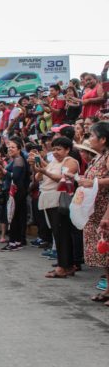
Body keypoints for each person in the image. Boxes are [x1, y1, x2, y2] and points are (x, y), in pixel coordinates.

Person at [32, 138, 79, 278]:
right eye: (54, 149)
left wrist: (44, 172)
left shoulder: (70, 161)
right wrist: (40, 168)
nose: (56, 152)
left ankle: (64, 266)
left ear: (67, 150)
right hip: (49, 200)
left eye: (59, 149)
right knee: (58, 234)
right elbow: (38, 177)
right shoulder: (53, 162)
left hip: (59, 200)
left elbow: (63, 179)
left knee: (62, 234)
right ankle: (66, 265)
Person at [78, 122, 109, 305]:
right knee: (104, 253)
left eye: (92, 136)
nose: (89, 139)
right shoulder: (102, 155)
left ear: (103, 139)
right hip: (96, 212)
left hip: (105, 211)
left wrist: (94, 182)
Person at [0, 137, 30, 251]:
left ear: (19, 149)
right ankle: (17, 241)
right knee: (16, 217)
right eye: (8, 147)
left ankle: (13, 242)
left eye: (12, 147)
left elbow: (15, 177)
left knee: (13, 217)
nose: (10, 149)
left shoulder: (18, 160)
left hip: (17, 192)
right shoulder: (15, 159)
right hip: (17, 191)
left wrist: (4, 171)